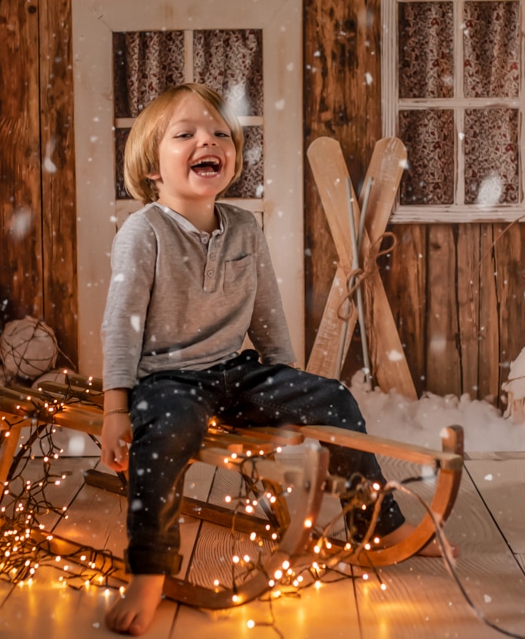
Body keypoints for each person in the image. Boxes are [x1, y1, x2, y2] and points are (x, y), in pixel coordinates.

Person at [99, 83, 431, 636]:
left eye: (219, 134)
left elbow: (269, 316)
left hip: (234, 370)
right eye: (185, 134)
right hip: (167, 377)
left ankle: (376, 525)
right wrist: (116, 408)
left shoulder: (245, 229)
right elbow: (121, 325)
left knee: (334, 398)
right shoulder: (144, 232)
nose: (207, 140)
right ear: (152, 167)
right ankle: (149, 569)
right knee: (167, 433)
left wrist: (288, 386)